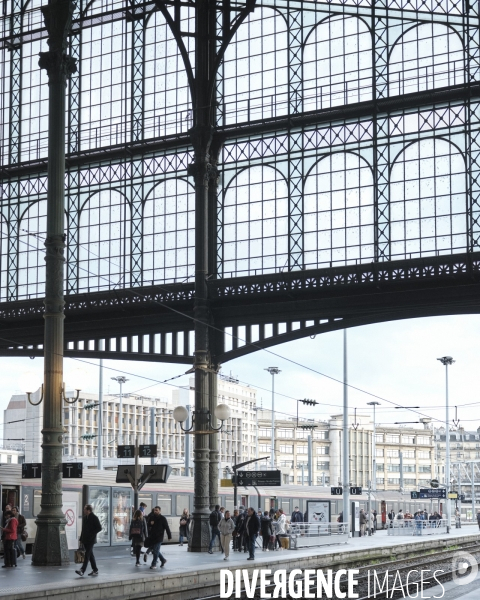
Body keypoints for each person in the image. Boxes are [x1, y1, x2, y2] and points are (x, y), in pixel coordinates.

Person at [75, 504, 102, 577]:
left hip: (91, 539)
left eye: (85, 509)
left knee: (87, 554)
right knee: (90, 555)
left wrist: (92, 534)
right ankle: (95, 570)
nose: (83, 510)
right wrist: (81, 539)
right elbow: (83, 529)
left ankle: (82, 570)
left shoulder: (94, 518)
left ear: (88, 510)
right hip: (85, 539)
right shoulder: (85, 518)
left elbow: (99, 528)